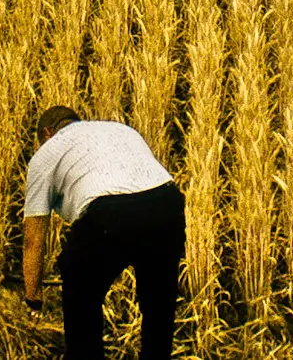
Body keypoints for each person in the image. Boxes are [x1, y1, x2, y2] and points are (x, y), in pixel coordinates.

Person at [21, 106, 185, 360]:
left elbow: (33, 239)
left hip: (109, 213)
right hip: (166, 201)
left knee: (79, 289)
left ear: (46, 133)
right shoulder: (120, 130)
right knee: (159, 304)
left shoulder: (47, 152)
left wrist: (33, 298)